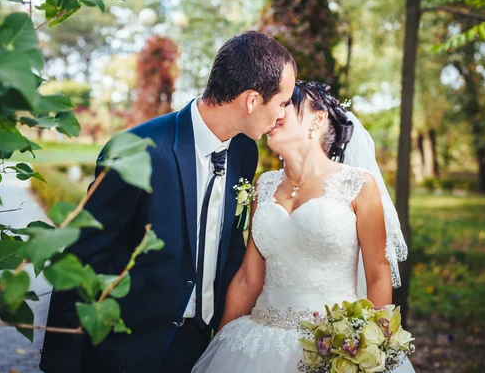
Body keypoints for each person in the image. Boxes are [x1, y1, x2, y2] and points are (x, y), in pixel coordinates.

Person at [39, 31, 297, 373]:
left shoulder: (244, 152)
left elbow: (231, 243)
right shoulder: (138, 150)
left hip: (195, 349)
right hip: (124, 349)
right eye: (282, 102)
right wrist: (61, 364)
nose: (282, 115)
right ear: (251, 101)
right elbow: (80, 257)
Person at [192, 81, 414, 372]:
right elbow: (248, 278)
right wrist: (220, 340)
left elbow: (378, 276)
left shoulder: (357, 184)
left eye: (286, 103)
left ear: (317, 119)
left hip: (332, 346)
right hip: (258, 343)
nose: (276, 110)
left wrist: (372, 348)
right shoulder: (265, 186)